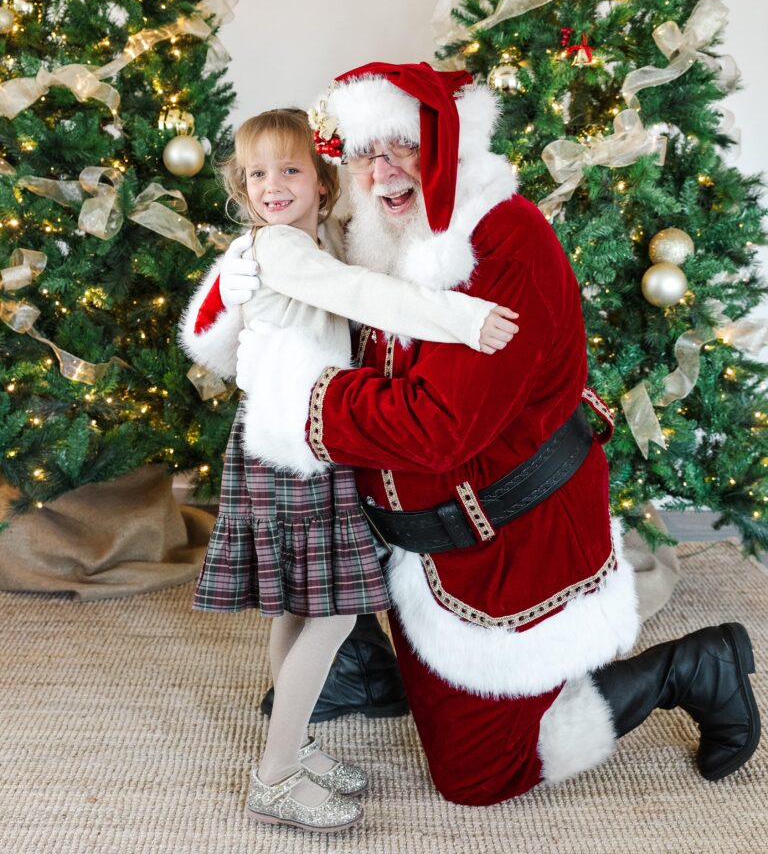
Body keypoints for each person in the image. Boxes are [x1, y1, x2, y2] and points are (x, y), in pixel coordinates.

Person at [186, 66, 760, 806]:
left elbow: (437, 430)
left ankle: (691, 668)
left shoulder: (500, 239)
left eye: (403, 147)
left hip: (503, 546)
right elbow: (272, 320)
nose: (383, 170)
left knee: (480, 778)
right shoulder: (366, 232)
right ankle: (367, 662)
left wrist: (297, 399)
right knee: (328, 616)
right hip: (411, 548)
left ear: (446, 145)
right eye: (365, 154)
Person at [179, 106, 519, 831]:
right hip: (292, 446)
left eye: (291, 169)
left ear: (323, 181)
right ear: (243, 184)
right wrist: (463, 319)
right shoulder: (281, 248)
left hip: (303, 439)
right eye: (258, 173)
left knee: (303, 606)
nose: (273, 185)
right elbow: (363, 295)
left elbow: (362, 264)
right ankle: (273, 776)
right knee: (333, 612)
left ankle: (291, 744)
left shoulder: (315, 238)